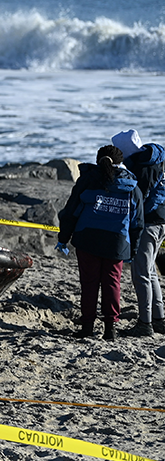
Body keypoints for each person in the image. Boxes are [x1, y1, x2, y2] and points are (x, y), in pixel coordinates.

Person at [57, 144, 144, 342]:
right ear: (121, 163)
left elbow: (71, 210)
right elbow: (137, 222)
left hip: (87, 238)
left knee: (89, 284)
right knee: (112, 284)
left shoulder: (88, 179)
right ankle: (110, 329)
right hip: (117, 242)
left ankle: (87, 326)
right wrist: (133, 249)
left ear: (98, 160)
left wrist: (63, 238)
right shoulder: (131, 185)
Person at [112, 129, 165, 337]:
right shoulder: (154, 160)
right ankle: (158, 319)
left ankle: (145, 323)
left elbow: (139, 200)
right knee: (150, 271)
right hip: (160, 221)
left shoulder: (143, 168)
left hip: (150, 223)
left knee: (141, 273)